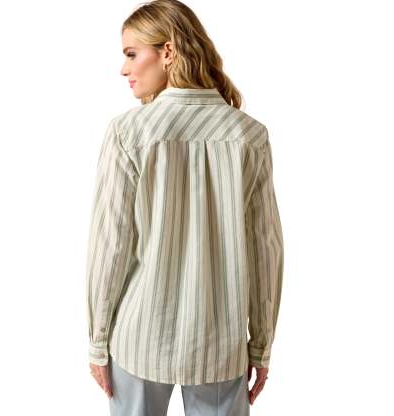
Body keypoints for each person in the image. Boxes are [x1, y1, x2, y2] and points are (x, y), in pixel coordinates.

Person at [85, 1, 284, 415]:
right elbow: (265, 249)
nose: (124, 69)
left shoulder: (128, 133)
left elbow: (110, 246)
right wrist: (261, 345)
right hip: (221, 343)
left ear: (169, 52)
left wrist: (98, 340)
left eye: (131, 54)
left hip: (139, 337)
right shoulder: (249, 136)